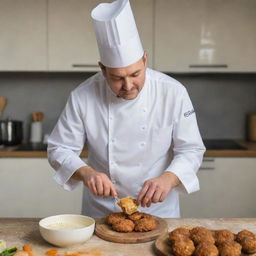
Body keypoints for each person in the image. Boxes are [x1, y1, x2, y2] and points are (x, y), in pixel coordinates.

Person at [47, 0, 205, 218]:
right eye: (117, 78)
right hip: (101, 210)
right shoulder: (82, 96)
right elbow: (59, 149)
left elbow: (191, 150)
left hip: (159, 209)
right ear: (102, 69)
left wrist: (168, 178)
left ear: (145, 59)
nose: (129, 86)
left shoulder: (173, 92)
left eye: (135, 74)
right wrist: (87, 173)